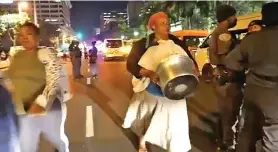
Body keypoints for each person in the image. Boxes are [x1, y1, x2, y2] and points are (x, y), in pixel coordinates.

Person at [124, 12, 198, 152]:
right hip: (153, 92)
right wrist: (149, 73)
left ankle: (175, 147)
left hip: (175, 92)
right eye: (163, 23)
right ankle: (143, 143)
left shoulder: (176, 42)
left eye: (168, 23)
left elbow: (189, 60)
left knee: (176, 125)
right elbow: (131, 65)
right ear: (153, 27)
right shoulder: (142, 44)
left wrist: (194, 69)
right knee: (150, 121)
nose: (167, 26)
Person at [6, 22, 70, 152]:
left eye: (29, 34)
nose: (24, 38)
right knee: (26, 146)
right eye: (21, 35)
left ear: (37, 37)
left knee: (57, 139)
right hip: (23, 111)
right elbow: (9, 79)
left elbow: (54, 78)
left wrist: (41, 102)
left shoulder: (45, 53)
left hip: (49, 110)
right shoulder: (17, 56)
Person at [225, 2, 278, 152]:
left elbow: (230, 61)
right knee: (272, 136)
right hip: (275, 96)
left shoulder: (251, 39)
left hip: (253, 91)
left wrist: (247, 67)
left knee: (247, 130)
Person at [209, 5, 243, 152]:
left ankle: (223, 140)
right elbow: (225, 57)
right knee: (230, 113)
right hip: (227, 77)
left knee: (225, 112)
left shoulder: (216, 32)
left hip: (221, 76)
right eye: (234, 16)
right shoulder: (224, 34)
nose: (235, 19)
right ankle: (228, 144)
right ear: (228, 17)